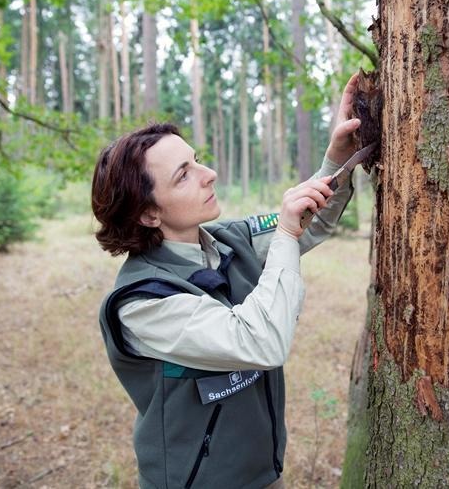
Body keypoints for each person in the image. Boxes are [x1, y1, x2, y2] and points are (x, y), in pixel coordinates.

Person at [91, 74, 362, 489]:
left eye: (197, 160)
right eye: (184, 175)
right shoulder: (142, 303)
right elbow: (260, 342)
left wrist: (338, 160)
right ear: (148, 214)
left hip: (263, 472)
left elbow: (313, 220)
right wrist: (286, 235)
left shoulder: (228, 239)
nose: (210, 173)